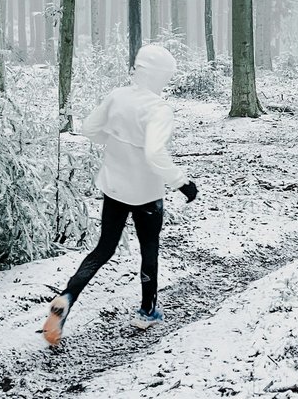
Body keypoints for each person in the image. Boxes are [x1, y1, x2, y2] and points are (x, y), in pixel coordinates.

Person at [42, 45, 198, 346]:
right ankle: (147, 311)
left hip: (113, 187)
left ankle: (67, 296)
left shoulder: (118, 96)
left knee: (103, 249)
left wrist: (113, 144)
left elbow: (90, 128)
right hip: (146, 194)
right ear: (161, 77)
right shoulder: (159, 109)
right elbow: (155, 153)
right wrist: (182, 183)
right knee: (148, 248)